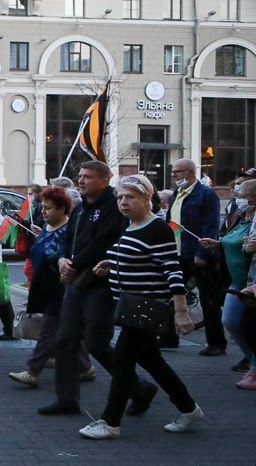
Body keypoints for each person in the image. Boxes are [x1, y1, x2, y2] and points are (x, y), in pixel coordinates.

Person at [78, 173, 203, 439]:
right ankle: (188, 408)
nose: (123, 203)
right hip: (129, 306)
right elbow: (136, 255)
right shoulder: (131, 225)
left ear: (147, 198)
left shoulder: (157, 228)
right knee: (153, 362)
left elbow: (172, 271)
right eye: (120, 197)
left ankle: (110, 422)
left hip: (146, 307)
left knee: (122, 363)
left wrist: (181, 312)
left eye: (130, 197)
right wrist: (110, 264)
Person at [42, 160, 157, 417]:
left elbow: (103, 242)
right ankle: (66, 399)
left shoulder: (113, 209)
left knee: (97, 344)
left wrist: (73, 263)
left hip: (100, 285)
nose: (81, 181)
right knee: (65, 340)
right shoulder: (80, 209)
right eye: (80, 176)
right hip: (76, 283)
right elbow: (68, 239)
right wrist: (62, 259)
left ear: (105, 180)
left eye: (88, 177)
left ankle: (138, 388)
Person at [8, 186, 94, 387]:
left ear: (63, 209)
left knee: (48, 329)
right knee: (68, 330)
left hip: (60, 288)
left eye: (49, 208)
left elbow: (59, 256)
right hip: (45, 287)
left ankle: (33, 370)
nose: (44, 212)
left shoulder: (68, 231)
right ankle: (86, 367)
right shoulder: (46, 228)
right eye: (43, 208)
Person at [200, 178, 256, 387]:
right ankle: (252, 361)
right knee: (230, 320)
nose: (238, 198)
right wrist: (217, 243)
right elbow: (230, 239)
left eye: (242, 195)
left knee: (248, 325)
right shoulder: (239, 216)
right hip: (236, 280)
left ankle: (254, 369)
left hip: (251, 280)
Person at [167, 158, 226, 355]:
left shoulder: (206, 194)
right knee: (171, 293)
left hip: (197, 253)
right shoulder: (177, 193)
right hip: (178, 253)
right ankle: (169, 336)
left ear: (190, 172)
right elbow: (173, 221)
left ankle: (216, 343)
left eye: (177, 172)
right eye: (173, 172)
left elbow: (210, 225)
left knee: (208, 299)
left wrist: (203, 253)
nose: (174, 175)